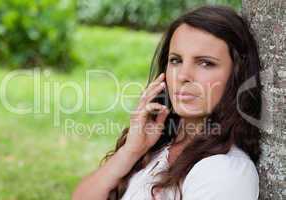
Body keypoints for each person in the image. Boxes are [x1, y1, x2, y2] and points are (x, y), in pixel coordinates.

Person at [72, 5, 263, 200]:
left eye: (205, 63)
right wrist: (130, 151)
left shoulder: (226, 171)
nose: (183, 76)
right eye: (176, 60)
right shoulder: (158, 146)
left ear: (237, 75)